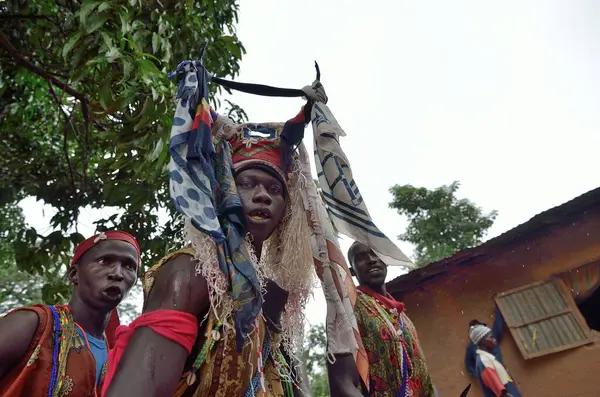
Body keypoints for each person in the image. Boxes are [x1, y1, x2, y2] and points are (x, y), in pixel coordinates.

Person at [102, 65, 321, 397]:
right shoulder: (190, 272)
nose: (263, 195)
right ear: (223, 193)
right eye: (247, 184)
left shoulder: (276, 295)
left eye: (275, 190)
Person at [0, 230, 140, 396]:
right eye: (104, 261)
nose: (117, 273)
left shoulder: (120, 352)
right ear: (74, 274)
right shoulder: (36, 324)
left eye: (129, 266)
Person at [329, 241, 435, 397]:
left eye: (376, 254)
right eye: (360, 257)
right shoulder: (348, 308)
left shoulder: (402, 316)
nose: (372, 259)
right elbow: (342, 382)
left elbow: (423, 378)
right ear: (352, 271)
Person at [469, 324, 520, 397]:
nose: (494, 339)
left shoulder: (488, 358)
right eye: (491, 337)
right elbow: (502, 394)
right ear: (482, 341)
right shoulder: (484, 362)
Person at [464, 312, 504, 378]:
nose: (493, 340)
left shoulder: (493, 342)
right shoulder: (473, 349)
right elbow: (468, 364)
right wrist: (476, 374)